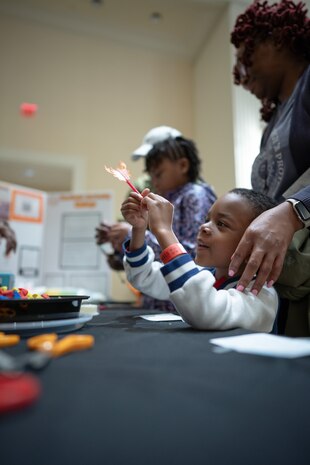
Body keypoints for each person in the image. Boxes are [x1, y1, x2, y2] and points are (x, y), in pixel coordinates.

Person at [121, 187, 278, 332]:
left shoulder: (261, 296)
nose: (204, 227)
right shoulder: (204, 274)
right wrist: (139, 228)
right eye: (206, 219)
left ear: (255, 246)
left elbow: (205, 310)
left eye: (222, 224)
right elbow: (143, 276)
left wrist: (164, 231)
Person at [96, 127, 217, 312]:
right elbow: (154, 260)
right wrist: (120, 248)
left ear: (183, 166)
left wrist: (131, 233)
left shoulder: (195, 195)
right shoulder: (166, 199)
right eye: (151, 175)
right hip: (157, 306)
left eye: (159, 174)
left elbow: (195, 254)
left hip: (180, 309)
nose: (154, 181)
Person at [230, 0, 310, 203]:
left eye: (245, 59)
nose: (243, 77)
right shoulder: (272, 126)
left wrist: (295, 209)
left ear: (277, 40)